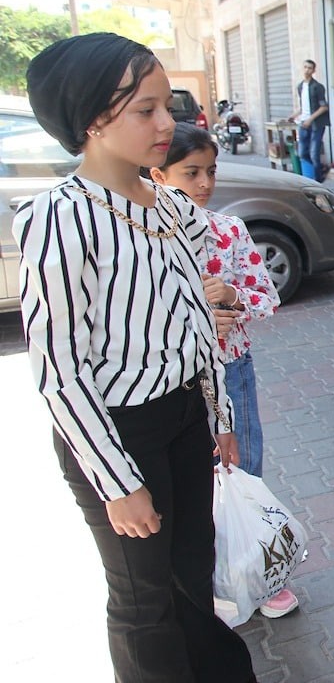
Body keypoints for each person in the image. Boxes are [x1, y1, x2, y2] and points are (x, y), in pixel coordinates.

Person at [15, 33, 256, 681]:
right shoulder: (60, 219)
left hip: (184, 418)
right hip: (118, 431)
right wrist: (118, 484)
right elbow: (59, 370)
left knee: (192, 573)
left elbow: (194, 318)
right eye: (145, 110)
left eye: (165, 106)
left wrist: (220, 416)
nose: (166, 124)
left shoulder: (171, 205)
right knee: (144, 600)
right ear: (92, 120)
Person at [149, 123, 299, 619]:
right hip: (172, 380)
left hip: (231, 369)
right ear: (158, 175)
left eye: (210, 171)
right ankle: (206, 580)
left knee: (242, 468)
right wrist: (192, 317)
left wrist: (232, 296)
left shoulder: (229, 229)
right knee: (192, 480)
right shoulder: (144, 240)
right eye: (190, 172)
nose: (204, 183)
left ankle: (258, 571)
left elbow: (267, 297)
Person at [288, 58, 330, 181]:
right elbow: (304, 107)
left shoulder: (318, 87)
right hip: (303, 123)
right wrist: (294, 115)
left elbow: (323, 107)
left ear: (313, 71)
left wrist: (310, 119)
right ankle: (320, 169)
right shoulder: (300, 86)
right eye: (305, 67)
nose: (307, 70)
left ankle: (317, 180)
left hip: (316, 124)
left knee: (314, 154)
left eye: (310, 68)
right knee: (302, 153)